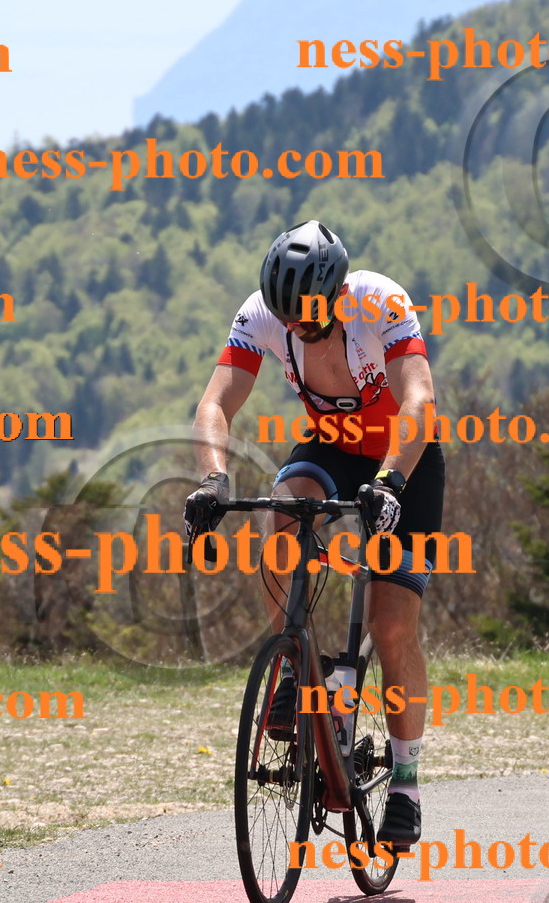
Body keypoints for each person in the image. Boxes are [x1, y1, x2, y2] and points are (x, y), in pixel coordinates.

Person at [183, 219, 444, 848]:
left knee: (391, 627)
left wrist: (390, 484)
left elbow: (417, 401)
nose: (296, 328)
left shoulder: (381, 302)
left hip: (402, 461)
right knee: (284, 506)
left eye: (308, 317)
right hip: (329, 450)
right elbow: (215, 404)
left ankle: (405, 782)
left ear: (336, 293)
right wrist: (213, 481)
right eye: (287, 318)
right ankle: (295, 663)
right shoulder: (262, 315)